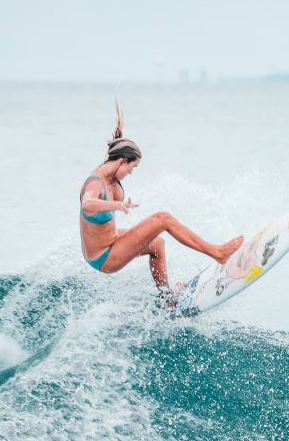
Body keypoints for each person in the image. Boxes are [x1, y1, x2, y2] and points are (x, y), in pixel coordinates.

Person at [79, 103, 244, 298]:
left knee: (157, 244)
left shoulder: (113, 176)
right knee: (163, 219)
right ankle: (218, 253)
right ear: (122, 161)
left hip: (112, 240)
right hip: (103, 256)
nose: (132, 172)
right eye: (133, 167)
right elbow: (87, 204)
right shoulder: (95, 183)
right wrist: (116, 204)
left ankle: (166, 299)